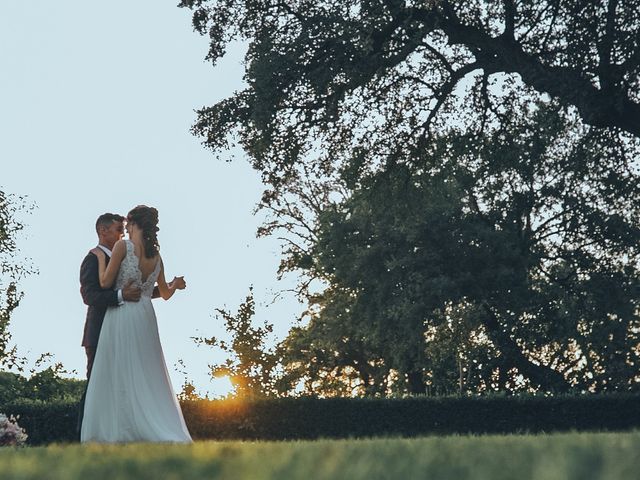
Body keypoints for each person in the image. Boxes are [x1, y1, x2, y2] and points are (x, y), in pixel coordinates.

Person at [81, 205, 192, 443]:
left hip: (122, 315)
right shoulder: (157, 256)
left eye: (125, 226)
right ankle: (151, 426)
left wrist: (100, 258)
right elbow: (164, 293)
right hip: (145, 315)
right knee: (144, 371)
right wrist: (174, 284)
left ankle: (120, 430)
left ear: (132, 224)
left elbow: (104, 282)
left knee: (119, 370)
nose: (122, 232)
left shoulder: (123, 247)